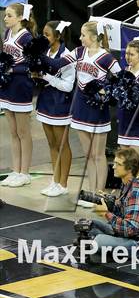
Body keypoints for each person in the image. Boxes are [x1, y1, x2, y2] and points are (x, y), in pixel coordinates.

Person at [41, 20, 121, 198]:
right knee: (88, 155)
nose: (80, 37)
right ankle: (92, 193)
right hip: (80, 107)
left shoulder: (107, 58)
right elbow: (56, 65)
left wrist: (106, 92)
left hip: (97, 110)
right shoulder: (78, 52)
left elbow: (122, 81)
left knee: (98, 155)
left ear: (93, 37)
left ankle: (99, 194)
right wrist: (37, 55)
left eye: (83, 35)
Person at [89, 148, 139, 263]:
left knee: (98, 241)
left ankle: (109, 245)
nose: (113, 167)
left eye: (118, 164)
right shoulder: (128, 184)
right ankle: (109, 244)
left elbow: (130, 229)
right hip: (130, 235)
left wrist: (106, 214)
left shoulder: (136, 192)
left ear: (130, 168)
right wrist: (109, 203)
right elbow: (123, 213)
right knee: (90, 225)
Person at [35, 21, 75, 197]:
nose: (44, 38)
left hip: (60, 104)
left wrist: (46, 77)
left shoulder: (66, 56)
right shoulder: (45, 52)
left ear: (58, 36)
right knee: (52, 144)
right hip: (45, 102)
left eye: (47, 35)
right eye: (43, 34)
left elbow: (67, 86)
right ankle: (55, 180)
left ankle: (63, 184)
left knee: (62, 144)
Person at [0, 3, 36, 188]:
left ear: (21, 18)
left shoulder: (27, 38)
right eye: (5, 15)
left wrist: (11, 68)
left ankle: (25, 172)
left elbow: (32, 66)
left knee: (23, 132)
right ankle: (16, 170)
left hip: (21, 86)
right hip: (7, 86)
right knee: (13, 132)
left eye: (9, 15)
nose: (5, 18)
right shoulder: (7, 34)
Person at [117, 38, 139, 181]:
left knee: (135, 167)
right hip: (125, 125)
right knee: (124, 167)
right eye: (126, 53)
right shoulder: (125, 71)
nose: (128, 57)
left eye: (132, 54)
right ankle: (128, 200)